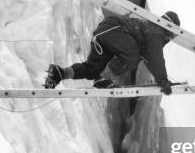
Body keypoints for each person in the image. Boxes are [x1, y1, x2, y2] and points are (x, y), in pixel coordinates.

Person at [44, 11, 180, 94]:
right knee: (131, 57)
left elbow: (149, 59)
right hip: (115, 29)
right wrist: (163, 81)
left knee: (93, 69)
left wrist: (160, 79)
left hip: (107, 31)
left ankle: (60, 73)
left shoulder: (152, 31)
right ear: (169, 27)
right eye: (173, 34)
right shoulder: (157, 31)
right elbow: (155, 57)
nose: (171, 38)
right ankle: (103, 78)